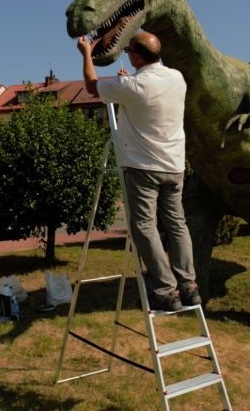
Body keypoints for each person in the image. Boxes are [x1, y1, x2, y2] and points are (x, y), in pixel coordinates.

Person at [78, 31, 200, 311]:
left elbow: (92, 87)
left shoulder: (133, 86)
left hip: (144, 167)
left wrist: (86, 54)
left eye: (129, 51)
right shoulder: (177, 78)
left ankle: (166, 291)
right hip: (174, 165)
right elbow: (145, 92)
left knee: (144, 225)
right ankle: (189, 286)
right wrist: (127, 82)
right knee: (176, 223)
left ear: (137, 57)